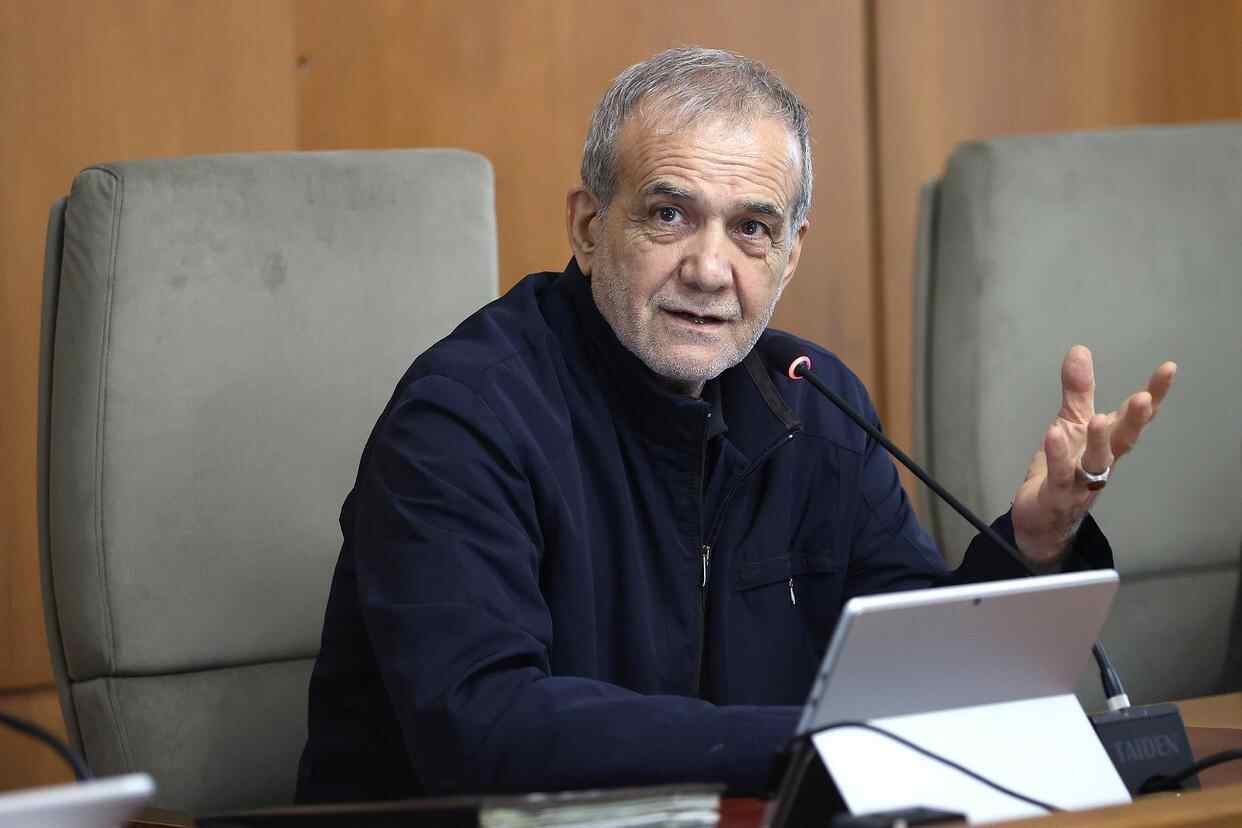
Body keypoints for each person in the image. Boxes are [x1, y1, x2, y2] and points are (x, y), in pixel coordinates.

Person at [295, 47, 1176, 803]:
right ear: (589, 227)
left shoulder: (813, 402)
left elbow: (911, 667)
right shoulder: (463, 416)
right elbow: (487, 731)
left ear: (789, 256)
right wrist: (828, 743)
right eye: (668, 215)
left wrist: (1033, 545)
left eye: (752, 228)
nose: (710, 269)